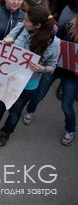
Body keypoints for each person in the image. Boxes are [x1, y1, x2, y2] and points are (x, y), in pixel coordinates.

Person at [0, 5, 60, 149]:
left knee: (15, 112)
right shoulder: (21, 27)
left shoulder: (54, 44)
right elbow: (6, 40)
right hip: (8, 79)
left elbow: (52, 67)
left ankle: (5, 133)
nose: (24, 22)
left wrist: (42, 69)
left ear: (38, 25)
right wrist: (7, 41)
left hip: (28, 85)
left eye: (27, 21)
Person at [23, 15, 78, 146]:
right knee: (39, 94)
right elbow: (54, 40)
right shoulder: (68, 27)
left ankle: (70, 130)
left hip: (73, 77)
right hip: (55, 68)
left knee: (66, 105)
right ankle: (30, 111)